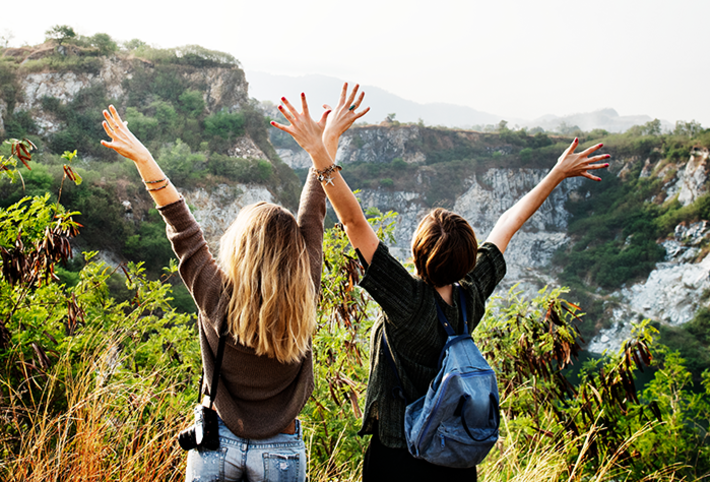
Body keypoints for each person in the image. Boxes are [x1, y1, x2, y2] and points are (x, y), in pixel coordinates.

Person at [274, 83, 610, 481]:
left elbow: (352, 221)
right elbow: (508, 224)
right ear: (468, 259)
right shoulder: (472, 295)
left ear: (417, 252)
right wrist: (556, 174)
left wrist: (319, 151)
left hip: (398, 454)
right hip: (455, 456)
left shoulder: (408, 300)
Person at [100, 96, 362, 482]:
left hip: (215, 444)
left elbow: (180, 224)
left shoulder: (214, 293)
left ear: (238, 246)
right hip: (281, 448)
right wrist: (326, 141)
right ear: (294, 252)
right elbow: (314, 207)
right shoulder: (305, 281)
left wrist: (144, 159)